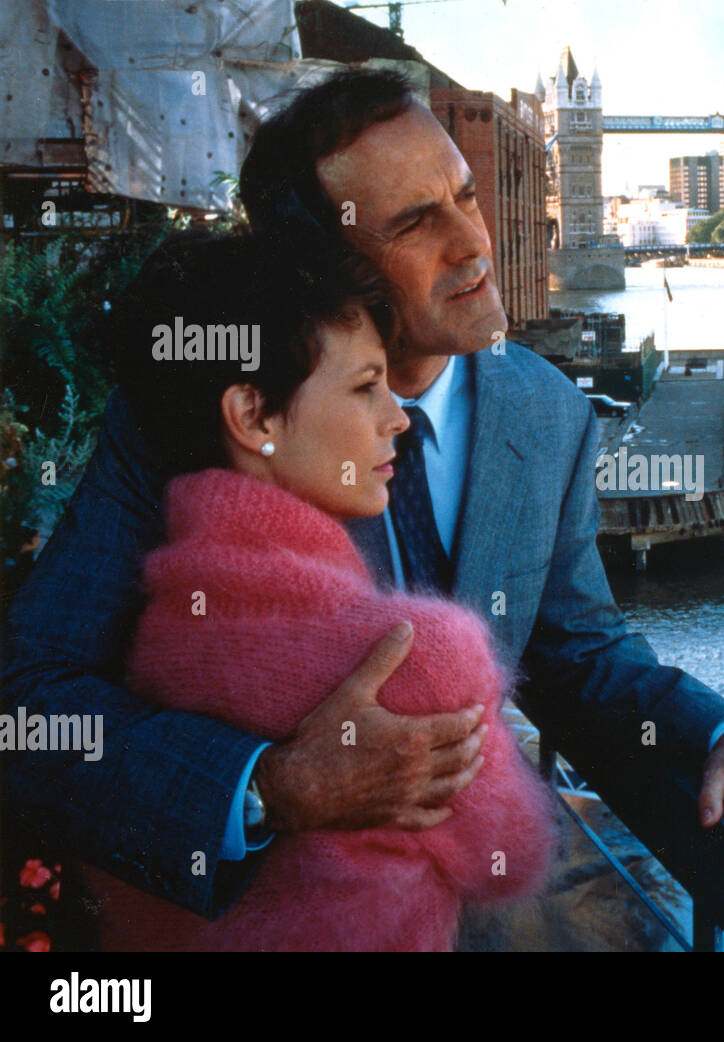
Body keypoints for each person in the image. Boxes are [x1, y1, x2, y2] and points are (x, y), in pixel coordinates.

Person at [1, 67, 724, 926]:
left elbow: (577, 649)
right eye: (418, 223)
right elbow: (28, 704)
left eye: (464, 195)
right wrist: (265, 788)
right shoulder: (191, 416)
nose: (474, 245)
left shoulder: (549, 411)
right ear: (324, 261)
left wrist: (718, 734)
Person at [80, 229, 554, 951]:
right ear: (253, 418)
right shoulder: (415, 655)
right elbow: (514, 857)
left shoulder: (148, 635)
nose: (397, 417)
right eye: (366, 386)